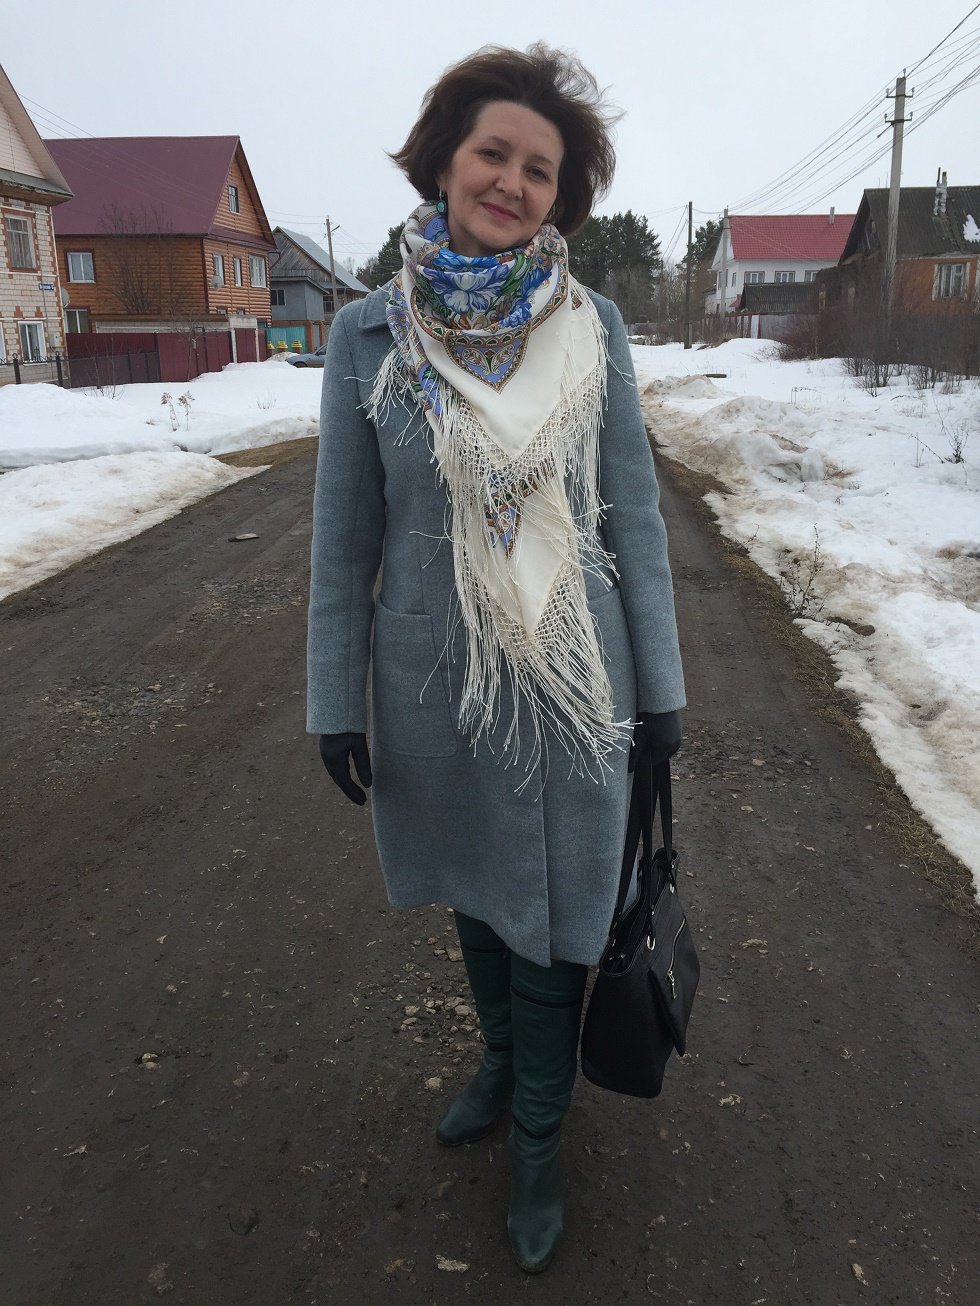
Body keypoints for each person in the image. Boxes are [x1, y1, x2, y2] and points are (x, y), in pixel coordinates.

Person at [307, 43, 685, 1274]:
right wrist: (332, 700)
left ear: (560, 195)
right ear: (444, 160)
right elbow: (343, 538)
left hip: (575, 684)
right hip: (433, 681)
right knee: (474, 888)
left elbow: (634, 516)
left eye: (539, 169)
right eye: (493, 154)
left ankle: (535, 1139)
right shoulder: (368, 336)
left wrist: (662, 691)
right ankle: (496, 1059)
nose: (512, 182)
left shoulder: (591, 327)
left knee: (556, 909)